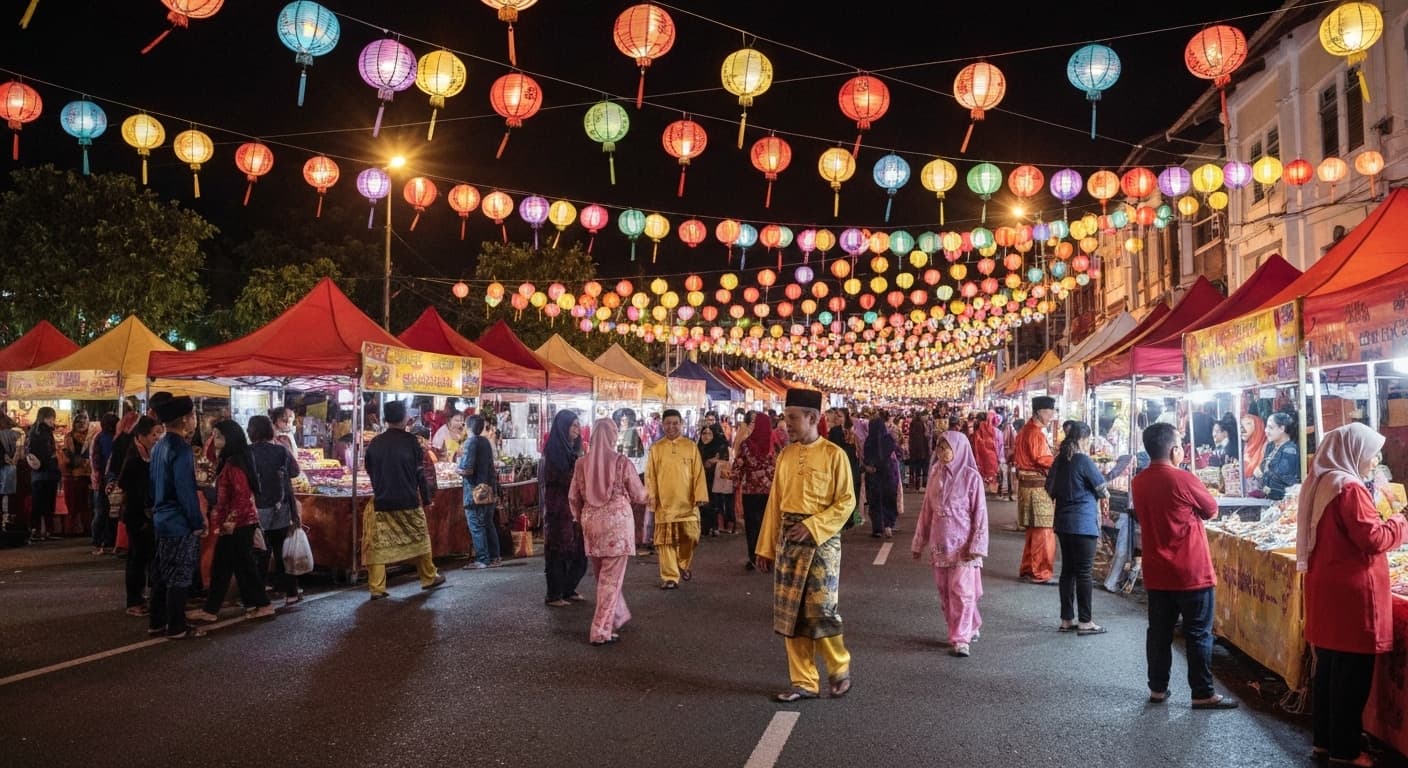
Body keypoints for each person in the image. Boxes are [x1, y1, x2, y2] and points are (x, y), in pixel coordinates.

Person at [1299, 423, 1407, 764]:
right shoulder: (1348, 488)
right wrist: (1402, 520)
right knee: (1351, 676)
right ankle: (1346, 751)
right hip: (1351, 594)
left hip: (1327, 588)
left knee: (1330, 670)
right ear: (1353, 451)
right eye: (1371, 453)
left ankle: (1324, 741)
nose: (1375, 460)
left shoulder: (1320, 480)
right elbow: (1372, 539)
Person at [756, 389, 856, 702]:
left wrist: (813, 527)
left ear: (812, 418)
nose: (786, 425)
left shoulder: (834, 455)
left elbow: (847, 502)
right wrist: (765, 547)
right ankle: (804, 682)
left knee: (820, 609)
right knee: (791, 613)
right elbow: (775, 503)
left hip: (822, 541)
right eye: (786, 419)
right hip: (788, 538)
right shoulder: (785, 455)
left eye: (791, 419)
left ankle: (839, 666)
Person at [1133, 422, 1238, 710]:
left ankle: (1157, 687)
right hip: (1191, 570)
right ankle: (1202, 692)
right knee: (1198, 633)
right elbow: (1211, 510)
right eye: (1180, 444)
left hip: (1157, 571)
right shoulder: (1183, 478)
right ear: (1174, 449)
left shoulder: (1138, 481)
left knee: (1159, 631)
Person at [569, 417, 648, 646]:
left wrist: (578, 517)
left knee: (604, 578)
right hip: (617, 527)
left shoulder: (581, 464)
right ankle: (600, 630)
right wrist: (651, 495)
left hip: (591, 526)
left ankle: (617, 615)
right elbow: (639, 495)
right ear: (613, 437)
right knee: (610, 580)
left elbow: (573, 497)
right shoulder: (621, 462)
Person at [188, 420, 274, 623]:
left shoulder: (235, 463)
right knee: (223, 566)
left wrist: (231, 520)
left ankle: (263, 604)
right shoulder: (232, 460)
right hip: (235, 521)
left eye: (219, 436)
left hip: (239, 522)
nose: (215, 441)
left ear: (230, 439)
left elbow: (242, 495)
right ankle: (212, 609)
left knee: (242, 566)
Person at [912, 431, 989, 657]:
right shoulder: (935, 473)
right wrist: (919, 542)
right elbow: (927, 509)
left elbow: (980, 514)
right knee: (946, 592)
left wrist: (977, 544)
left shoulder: (971, 477)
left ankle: (960, 638)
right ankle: (969, 625)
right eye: (939, 448)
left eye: (947, 448)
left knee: (962, 592)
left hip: (964, 545)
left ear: (959, 449)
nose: (942, 452)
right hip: (940, 543)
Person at [362, 400, 446, 600]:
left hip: (382, 501)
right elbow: (421, 474)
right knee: (420, 538)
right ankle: (428, 576)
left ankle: (376, 587)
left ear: (385, 419)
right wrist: (427, 499)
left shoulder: (375, 443)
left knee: (378, 545)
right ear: (405, 418)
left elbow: (369, 469)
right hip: (408, 500)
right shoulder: (412, 442)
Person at [148, 396, 208, 639]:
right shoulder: (180, 449)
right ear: (184, 419)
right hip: (178, 520)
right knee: (180, 574)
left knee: (163, 572)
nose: (195, 419)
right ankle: (176, 626)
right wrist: (197, 522)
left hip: (161, 516)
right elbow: (186, 491)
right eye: (193, 415)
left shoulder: (159, 446)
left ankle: (157, 622)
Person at [1045, 421, 1110, 634]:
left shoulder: (1059, 461)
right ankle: (1085, 621)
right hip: (1083, 523)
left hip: (1063, 523)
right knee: (1084, 572)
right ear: (1083, 439)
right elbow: (1102, 489)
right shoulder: (1083, 460)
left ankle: (1066, 619)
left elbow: (1049, 488)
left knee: (1068, 571)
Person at [644, 409, 709, 589]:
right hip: (664, 506)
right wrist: (652, 497)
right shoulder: (656, 449)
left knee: (691, 536)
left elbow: (698, 473)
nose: (671, 427)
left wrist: (700, 495)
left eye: (675, 423)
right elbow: (650, 476)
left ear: (681, 424)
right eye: (667, 423)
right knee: (665, 542)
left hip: (687, 504)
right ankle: (670, 576)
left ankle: (682, 564)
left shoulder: (690, 447)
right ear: (662, 425)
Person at [247, 415, 303, 605]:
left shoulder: (247, 452)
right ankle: (291, 593)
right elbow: (295, 472)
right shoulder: (280, 451)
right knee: (282, 550)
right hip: (281, 507)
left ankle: (259, 593)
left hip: (257, 507)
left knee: (260, 552)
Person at [541, 410, 587, 606]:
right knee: (558, 551)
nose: (577, 430)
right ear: (563, 427)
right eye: (573, 425)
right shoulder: (552, 454)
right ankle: (554, 594)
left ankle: (568, 589)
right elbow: (558, 481)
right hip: (558, 509)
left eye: (578, 425)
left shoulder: (574, 451)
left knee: (579, 551)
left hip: (575, 509)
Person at [117, 416, 161, 616]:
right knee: (137, 557)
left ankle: (145, 596)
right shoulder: (135, 456)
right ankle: (134, 601)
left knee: (146, 555)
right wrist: (144, 505)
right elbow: (125, 482)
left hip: (145, 513)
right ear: (141, 435)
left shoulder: (146, 453)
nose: (156, 438)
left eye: (158, 433)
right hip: (137, 514)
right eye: (153, 434)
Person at [1016, 396, 1059, 584]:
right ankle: (1041, 572)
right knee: (1044, 530)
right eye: (1049, 413)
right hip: (1037, 489)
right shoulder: (1035, 433)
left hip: (1027, 487)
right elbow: (1041, 459)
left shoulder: (1026, 430)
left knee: (1033, 531)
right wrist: (1060, 461)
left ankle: (1028, 568)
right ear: (1040, 412)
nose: (1051, 417)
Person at [733, 412, 778, 569]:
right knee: (769, 524)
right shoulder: (775, 445)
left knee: (752, 525)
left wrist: (734, 481)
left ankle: (753, 557)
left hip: (750, 491)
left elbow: (738, 466)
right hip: (770, 491)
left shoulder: (746, 445)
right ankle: (768, 557)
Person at [459, 415, 501, 570]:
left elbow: (467, 469)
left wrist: (457, 468)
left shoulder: (471, 442)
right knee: (488, 523)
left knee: (476, 525)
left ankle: (482, 559)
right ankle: (495, 557)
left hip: (475, 491)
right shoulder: (485, 442)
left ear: (467, 427)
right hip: (489, 489)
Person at [863, 411, 899, 539]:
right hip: (888, 473)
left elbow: (866, 457)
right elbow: (894, 451)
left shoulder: (868, 441)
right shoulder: (888, 439)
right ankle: (889, 524)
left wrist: (869, 466)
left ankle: (877, 528)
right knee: (888, 499)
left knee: (875, 501)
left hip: (873, 474)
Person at [27, 406, 60, 541]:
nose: (53, 421)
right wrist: (53, 458)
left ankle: (35, 530)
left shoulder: (33, 431)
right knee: (47, 503)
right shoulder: (44, 433)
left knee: (37, 503)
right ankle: (46, 531)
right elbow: (46, 454)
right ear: (46, 418)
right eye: (52, 418)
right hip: (47, 473)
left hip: (36, 474)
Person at [826, 408, 862, 531]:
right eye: (836, 416)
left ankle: (851, 517)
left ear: (846, 417)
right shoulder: (834, 430)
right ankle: (843, 518)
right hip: (839, 463)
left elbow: (859, 446)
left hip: (852, 463)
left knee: (853, 489)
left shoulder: (854, 430)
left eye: (840, 416)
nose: (837, 418)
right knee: (841, 491)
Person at [61, 411, 94, 542]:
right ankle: (73, 530)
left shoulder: (92, 436)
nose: (82, 422)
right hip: (73, 475)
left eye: (84, 419)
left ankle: (87, 529)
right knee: (73, 504)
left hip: (89, 475)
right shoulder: (69, 437)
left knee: (87, 505)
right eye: (78, 420)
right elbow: (65, 456)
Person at [1255, 412, 1300, 501]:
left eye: (1270, 427)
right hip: (1269, 498)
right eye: (1266, 427)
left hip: (1283, 500)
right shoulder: (1270, 446)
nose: (1266, 430)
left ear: (1282, 429)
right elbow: (1262, 469)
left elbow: (1281, 478)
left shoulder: (1290, 450)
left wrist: (1261, 475)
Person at [89, 413, 118, 552]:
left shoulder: (99, 437)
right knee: (107, 512)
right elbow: (99, 460)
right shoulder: (108, 438)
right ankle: (104, 541)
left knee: (102, 511)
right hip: (107, 479)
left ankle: (99, 542)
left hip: (101, 479)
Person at [696, 424, 728, 537]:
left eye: (709, 434)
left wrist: (714, 461)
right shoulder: (697, 448)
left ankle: (714, 527)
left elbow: (723, 461)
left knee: (713, 503)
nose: (706, 436)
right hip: (700, 481)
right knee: (702, 504)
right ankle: (704, 528)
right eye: (704, 433)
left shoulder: (717, 448)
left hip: (714, 481)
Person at [1240, 414, 1267, 494]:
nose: (1243, 429)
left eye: (1248, 424)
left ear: (1258, 426)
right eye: (1242, 424)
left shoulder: (1266, 446)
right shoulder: (1246, 446)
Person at [907, 411, 931, 490]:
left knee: (917, 468)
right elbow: (922, 439)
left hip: (915, 451)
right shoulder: (920, 425)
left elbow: (912, 438)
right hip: (922, 450)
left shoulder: (913, 424)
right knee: (923, 468)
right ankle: (923, 485)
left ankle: (916, 485)